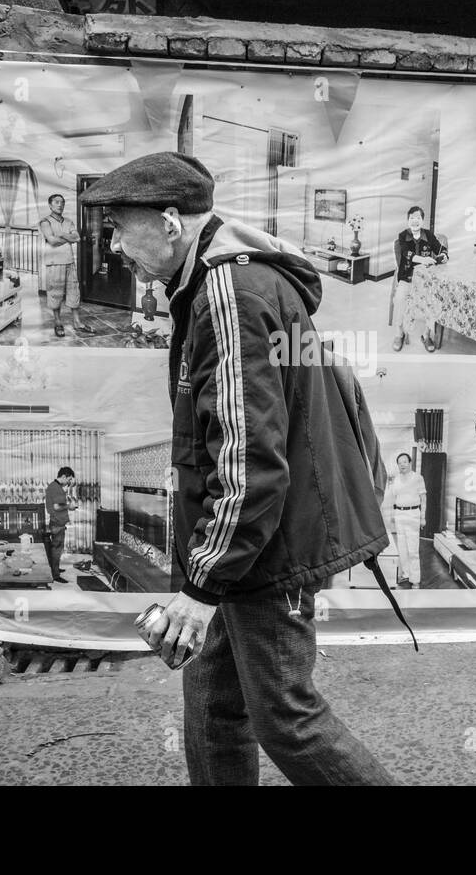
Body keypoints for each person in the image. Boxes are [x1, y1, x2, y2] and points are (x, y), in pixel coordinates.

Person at [81, 150, 396, 786]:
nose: (114, 244)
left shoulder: (228, 290)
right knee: (214, 708)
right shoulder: (220, 281)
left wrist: (203, 586)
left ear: (170, 222)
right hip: (239, 546)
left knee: (285, 716)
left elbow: (248, 455)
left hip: (262, 549)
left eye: (119, 225)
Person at [391, 206, 447, 352]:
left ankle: (426, 335)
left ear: (422, 220)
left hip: (425, 281)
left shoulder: (428, 235)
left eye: (418, 218)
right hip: (407, 278)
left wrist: (444, 255)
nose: (415, 221)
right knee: (400, 299)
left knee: (432, 301)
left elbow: (440, 249)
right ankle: (399, 333)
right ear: (408, 220)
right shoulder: (403, 235)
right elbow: (406, 253)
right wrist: (423, 259)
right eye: (412, 218)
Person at [38, 194, 87, 337]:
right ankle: (58, 322)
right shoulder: (45, 222)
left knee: (74, 291)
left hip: (69, 261)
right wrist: (68, 237)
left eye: (62, 202)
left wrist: (62, 234)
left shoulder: (69, 221)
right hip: (54, 263)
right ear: (50, 205)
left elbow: (77, 238)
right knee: (55, 293)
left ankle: (77, 322)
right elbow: (52, 241)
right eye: (57, 202)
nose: (60, 205)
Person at [383, 452, 425, 589]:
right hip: (400, 514)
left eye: (404, 462)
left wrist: (423, 517)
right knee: (402, 548)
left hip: (413, 514)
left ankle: (415, 580)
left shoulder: (418, 478)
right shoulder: (396, 479)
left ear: (410, 463)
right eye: (400, 463)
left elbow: (424, 499)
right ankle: (406, 574)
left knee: (413, 550)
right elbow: (393, 496)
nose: (402, 465)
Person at [44, 466, 77, 583]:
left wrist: (68, 504)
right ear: (63, 476)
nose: (69, 482)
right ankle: (55, 575)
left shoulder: (55, 486)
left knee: (57, 548)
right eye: (69, 479)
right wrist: (70, 506)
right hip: (57, 523)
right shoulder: (56, 488)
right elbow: (57, 506)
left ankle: (55, 568)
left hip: (57, 522)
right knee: (57, 549)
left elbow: (60, 502)